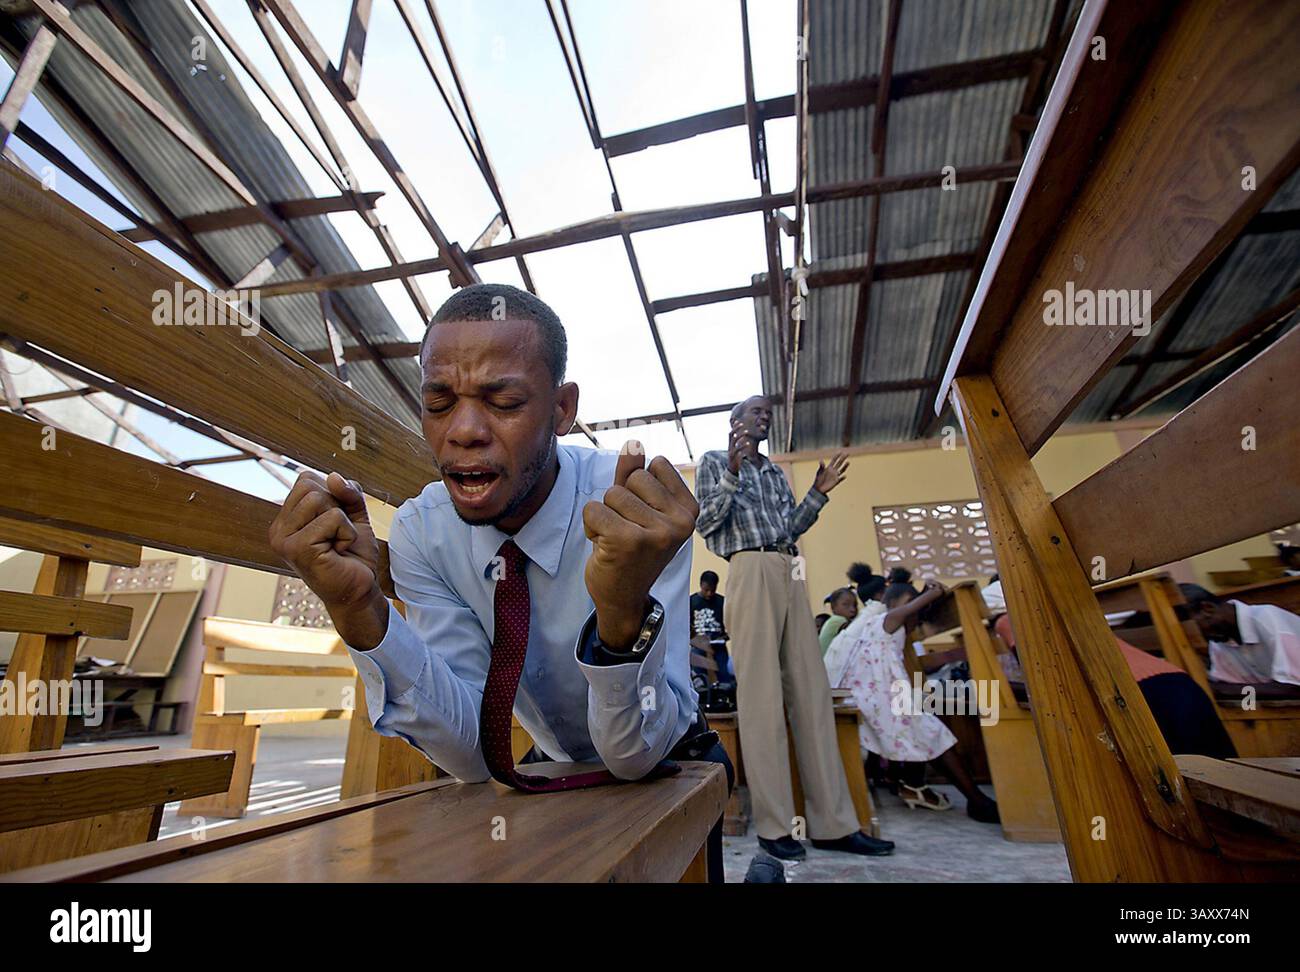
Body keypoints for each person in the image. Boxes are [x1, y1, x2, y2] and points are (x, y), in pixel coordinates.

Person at [268, 283, 734, 880]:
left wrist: (619, 617)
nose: (463, 431)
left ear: (563, 410)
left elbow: (636, 752)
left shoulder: (634, 511)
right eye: (439, 403)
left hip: (674, 761)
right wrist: (361, 612)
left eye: (504, 402)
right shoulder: (424, 534)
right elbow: (470, 754)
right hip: (546, 774)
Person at [695, 394, 893, 860]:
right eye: (755, 411)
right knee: (761, 698)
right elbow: (706, 524)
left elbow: (789, 527)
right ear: (735, 420)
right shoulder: (712, 462)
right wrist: (732, 470)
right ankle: (774, 825)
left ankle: (833, 825)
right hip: (747, 569)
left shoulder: (775, 474)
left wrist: (818, 493)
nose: (764, 417)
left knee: (811, 695)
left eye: (768, 413)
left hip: (789, 570)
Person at [825, 579, 1000, 823]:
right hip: (871, 700)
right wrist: (932, 593)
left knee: (925, 723)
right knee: (929, 728)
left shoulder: (886, 626)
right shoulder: (886, 620)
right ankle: (975, 799)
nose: (913, 613)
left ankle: (918, 784)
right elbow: (908, 609)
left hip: (876, 697)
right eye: (909, 605)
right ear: (894, 604)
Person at [994, 614, 1236, 758]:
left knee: (1180, 777)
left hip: (1130, 694)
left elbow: (1038, 677)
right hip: (1177, 681)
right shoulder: (1067, 607)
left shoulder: (1009, 620)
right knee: (1219, 769)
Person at [1179, 584, 1300, 695]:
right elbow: (1244, 696)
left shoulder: (1266, 618)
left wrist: (1216, 689)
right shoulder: (1219, 641)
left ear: (1207, 609)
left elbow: (1294, 687)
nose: (1194, 636)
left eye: (1191, 628)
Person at [690, 570, 731, 677]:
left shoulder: (722, 602)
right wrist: (695, 639)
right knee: (698, 673)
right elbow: (685, 627)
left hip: (718, 645)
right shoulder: (691, 602)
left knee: (724, 673)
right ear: (701, 585)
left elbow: (730, 626)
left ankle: (723, 688)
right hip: (698, 645)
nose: (709, 593)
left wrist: (724, 637)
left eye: (712, 590)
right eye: (706, 590)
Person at [818, 587, 859, 654]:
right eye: (846, 605)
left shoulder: (833, 620)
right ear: (833, 607)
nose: (853, 609)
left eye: (855, 605)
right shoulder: (838, 620)